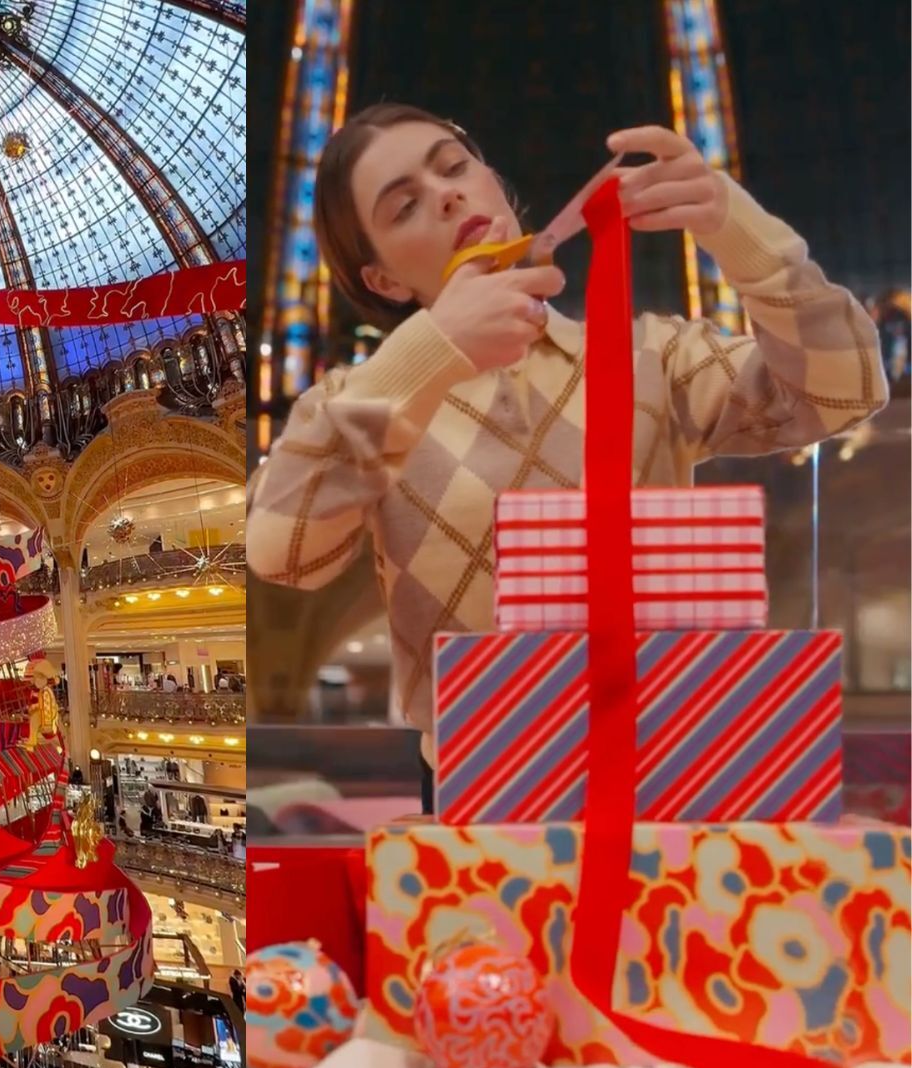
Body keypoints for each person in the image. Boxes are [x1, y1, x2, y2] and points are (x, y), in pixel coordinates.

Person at [245, 105, 887, 812]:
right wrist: (430, 352)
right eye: (404, 207)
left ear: (495, 184)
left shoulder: (653, 358)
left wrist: (738, 230)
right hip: (481, 790)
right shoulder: (366, 400)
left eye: (455, 167)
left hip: (678, 769)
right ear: (384, 281)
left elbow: (847, 389)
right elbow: (281, 550)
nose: (447, 194)